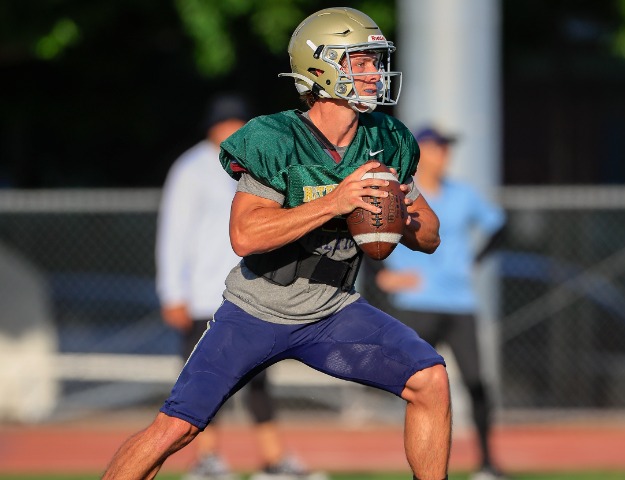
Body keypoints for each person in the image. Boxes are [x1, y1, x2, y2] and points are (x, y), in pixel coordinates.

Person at [102, 7, 452, 480]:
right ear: (321, 67)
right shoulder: (277, 138)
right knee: (176, 428)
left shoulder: (385, 140)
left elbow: (430, 237)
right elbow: (245, 235)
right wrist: (336, 201)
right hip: (257, 311)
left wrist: (397, 213)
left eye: (376, 61)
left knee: (430, 379)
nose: (375, 72)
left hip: (333, 310)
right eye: (361, 61)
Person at [156, 93, 311, 480]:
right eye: (224, 124)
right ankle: (206, 459)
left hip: (252, 291)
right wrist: (172, 292)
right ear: (211, 128)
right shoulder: (191, 168)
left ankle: (273, 460)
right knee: (204, 380)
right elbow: (173, 233)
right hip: (203, 295)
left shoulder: (258, 164)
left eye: (237, 123)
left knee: (259, 378)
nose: (231, 130)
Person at [375, 126, 507, 480]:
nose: (445, 154)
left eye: (448, 148)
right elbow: (367, 233)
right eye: (438, 147)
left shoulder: (463, 194)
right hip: (415, 302)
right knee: (413, 384)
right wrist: (381, 277)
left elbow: (500, 225)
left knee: (476, 382)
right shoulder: (401, 192)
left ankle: (487, 463)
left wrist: (476, 261)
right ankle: (414, 462)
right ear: (420, 151)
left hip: (459, 303)